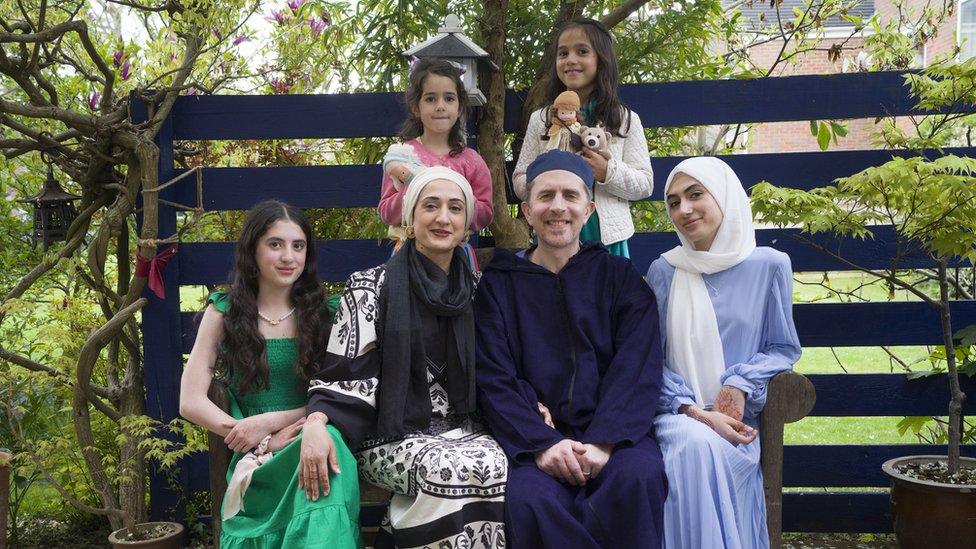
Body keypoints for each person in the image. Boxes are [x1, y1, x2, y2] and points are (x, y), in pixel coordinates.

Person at [304, 166, 507, 549]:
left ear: (466, 225)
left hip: (466, 427)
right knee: (445, 470)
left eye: (455, 208)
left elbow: (501, 367)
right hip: (389, 434)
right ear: (411, 217)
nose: (443, 218)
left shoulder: (479, 290)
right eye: (431, 206)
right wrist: (317, 420)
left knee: (495, 466)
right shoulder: (369, 285)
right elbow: (345, 374)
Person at [475, 150, 667, 548]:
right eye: (545, 197)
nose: (557, 207)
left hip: (617, 436)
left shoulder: (621, 280)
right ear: (527, 211)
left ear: (589, 209)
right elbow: (493, 374)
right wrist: (543, 443)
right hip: (536, 439)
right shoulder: (499, 287)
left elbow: (637, 365)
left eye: (570, 196)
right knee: (529, 500)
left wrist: (604, 442)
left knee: (637, 479)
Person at [179, 200, 361, 548]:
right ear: (253, 250)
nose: (288, 257)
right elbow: (190, 401)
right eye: (275, 244)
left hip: (316, 432)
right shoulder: (224, 312)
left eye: (298, 245)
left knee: (327, 447)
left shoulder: (328, 314)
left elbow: (345, 394)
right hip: (257, 457)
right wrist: (257, 437)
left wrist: (283, 422)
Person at [645, 157, 802, 549]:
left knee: (704, 450)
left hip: (736, 430)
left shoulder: (770, 265)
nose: (684, 209)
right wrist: (694, 412)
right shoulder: (664, 271)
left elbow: (783, 347)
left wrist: (739, 381)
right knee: (692, 445)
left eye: (695, 194)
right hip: (677, 416)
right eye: (674, 201)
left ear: (725, 195)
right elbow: (649, 360)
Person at [512, 18, 653, 258]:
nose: (570, 60)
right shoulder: (542, 119)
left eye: (582, 51)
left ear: (602, 59)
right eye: (563, 53)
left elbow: (645, 184)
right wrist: (549, 173)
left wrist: (607, 171)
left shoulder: (624, 119)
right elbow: (519, 180)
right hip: (555, 232)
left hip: (607, 240)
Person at [378, 57, 493, 269]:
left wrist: (459, 202)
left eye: (449, 98)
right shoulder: (401, 155)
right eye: (431, 99)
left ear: (459, 107)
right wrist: (413, 188)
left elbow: (485, 214)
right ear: (416, 107)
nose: (440, 106)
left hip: (457, 258)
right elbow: (386, 211)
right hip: (408, 258)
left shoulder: (472, 161)